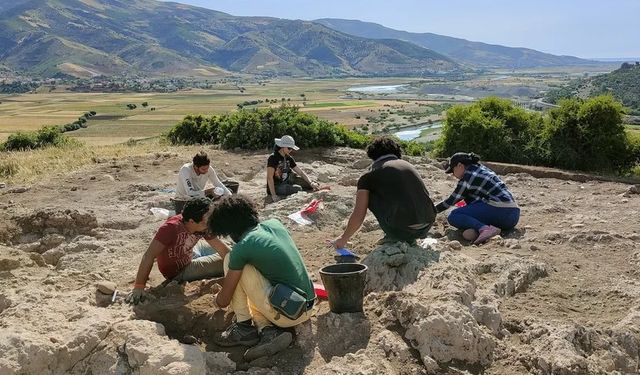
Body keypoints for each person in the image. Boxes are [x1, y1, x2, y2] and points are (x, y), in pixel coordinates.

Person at [207, 195, 315, 361]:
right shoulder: (274, 224)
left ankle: (243, 327)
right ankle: (267, 331)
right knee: (252, 278)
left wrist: (217, 299)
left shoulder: (242, 249)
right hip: (305, 304)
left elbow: (224, 301)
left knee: (232, 261)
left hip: (289, 313)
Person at [332, 136, 436, 248]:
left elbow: (359, 213)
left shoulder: (369, 176)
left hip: (402, 230)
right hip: (427, 225)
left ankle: (394, 236)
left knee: (367, 193)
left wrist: (344, 238)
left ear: (372, 155)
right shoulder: (409, 166)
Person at [125, 197, 229, 304]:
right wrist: (139, 287)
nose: (211, 221)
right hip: (180, 270)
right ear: (192, 221)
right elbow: (149, 255)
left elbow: (222, 248)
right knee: (229, 260)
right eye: (208, 219)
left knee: (233, 250)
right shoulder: (170, 228)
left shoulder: (203, 225)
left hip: (190, 251)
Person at [436, 152, 520, 244]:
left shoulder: (468, 177)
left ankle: (484, 229)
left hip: (500, 211)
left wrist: (433, 210)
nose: (453, 174)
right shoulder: (481, 169)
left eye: (453, 170)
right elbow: (474, 201)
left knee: (454, 216)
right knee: (466, 216)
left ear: (460, 165)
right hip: (513, 216)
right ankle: (484, 230)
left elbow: (452, 200)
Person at [266, 135, 319, 203]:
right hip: (277, 186)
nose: (290, 150)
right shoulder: (273, 158)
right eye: (289, 148)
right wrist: (273, 195)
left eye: (292, 148)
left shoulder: (288, 158)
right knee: (298, 188)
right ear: (282, 146)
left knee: (311, 184)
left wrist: (311, 183)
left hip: (288, 180)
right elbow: (269, 177)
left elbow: (300, 172)